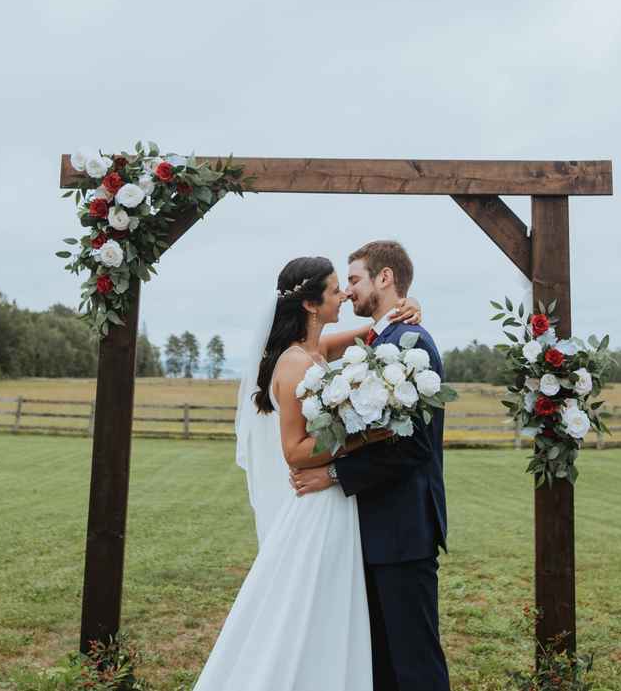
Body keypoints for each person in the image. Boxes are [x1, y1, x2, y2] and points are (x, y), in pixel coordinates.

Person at [191, 255, 422, 691]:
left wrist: (408, 308)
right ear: (313, 305)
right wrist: (366, 435)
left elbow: (374, 334)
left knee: (331, 608)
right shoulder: (295, 363)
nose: (345, 294)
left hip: (335, 501)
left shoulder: (319, 350)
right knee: (314, 606)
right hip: (318, 503)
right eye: (336, 290)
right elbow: (295, 453)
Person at [290, 241, 451, 691]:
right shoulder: (382, 339)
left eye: (355, 280)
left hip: (403, 529)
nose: (348, 293)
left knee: (414, 662)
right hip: (375, 528)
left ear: (385, 278)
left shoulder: (411, 343)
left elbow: (412, 446)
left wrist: (334, 474)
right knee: (381, 660)